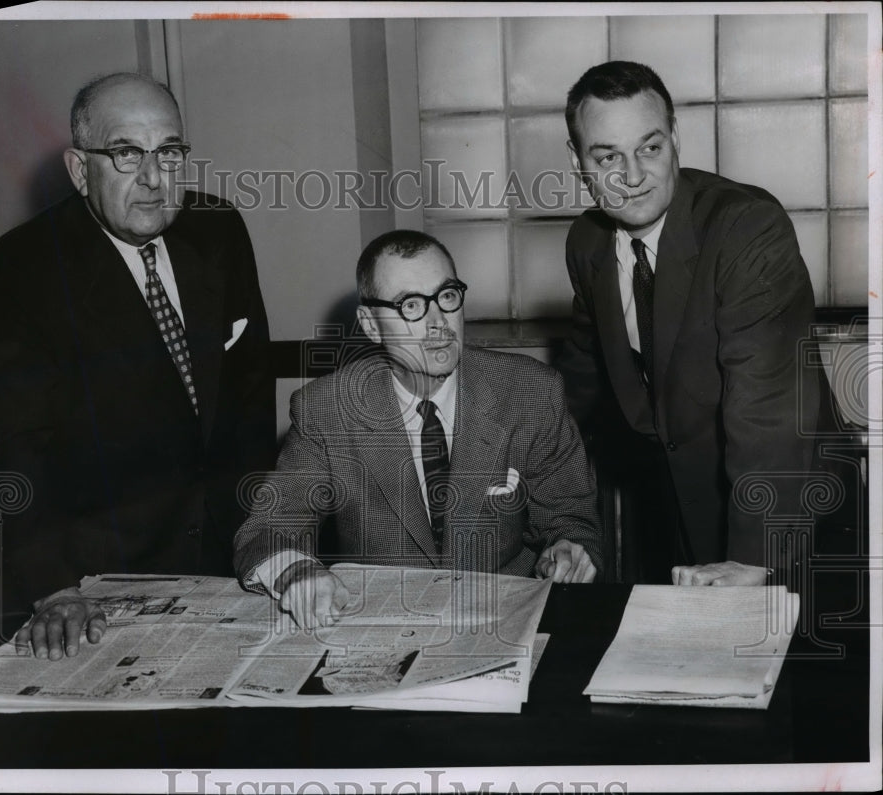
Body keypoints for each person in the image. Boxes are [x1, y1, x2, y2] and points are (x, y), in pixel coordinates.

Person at [0, 73, 275, 659]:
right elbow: (9, 446)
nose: (154, 180)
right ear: (81, 170)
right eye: (127, 153)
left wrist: (263, 537)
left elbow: (252, 396)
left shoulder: (219, 229)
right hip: (99, 584)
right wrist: (53, 588)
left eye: (169, 153)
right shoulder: (21, 269)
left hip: (231, 560)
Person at [234, 230, 603, 628]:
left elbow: (571, 518)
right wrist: (296, 572)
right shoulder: (327, 410)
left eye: (446, 296)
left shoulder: (529, 391)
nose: (437, 323)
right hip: (382, 625)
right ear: (371, 325)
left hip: (506, 620)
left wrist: (567, 550)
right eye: (410, 305)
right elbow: (266, 530)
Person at [557, 60, 823, 586]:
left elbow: (767, 407)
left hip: (782, 518)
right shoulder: (586, 244)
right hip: (679, 504)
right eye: (608, 156)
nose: (633, 177)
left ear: (676, 137)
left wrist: (754, 561)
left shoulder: (746, 229)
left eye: (650, 148)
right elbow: (579, 381)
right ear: (577, 160)